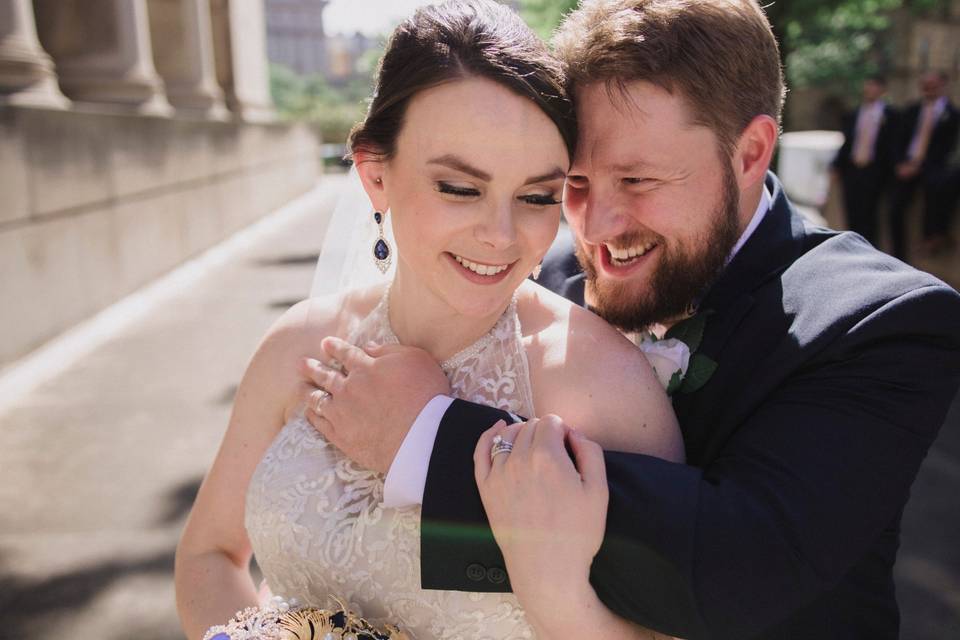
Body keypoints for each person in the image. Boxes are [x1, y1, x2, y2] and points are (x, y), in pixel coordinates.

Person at [302, 1, 960, 639]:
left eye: (638, 181)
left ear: (751, 152)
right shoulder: (543, 275)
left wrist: (429, 439)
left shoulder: (884, 324)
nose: (594, 228)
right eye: (575, 185)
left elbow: (739, 570)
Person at [174, 2, 684, 639]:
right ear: (375, 174)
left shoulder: (604, 388)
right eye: (459, 188)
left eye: (535, 197)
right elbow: (210, 555)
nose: (501, 236)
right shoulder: (298, 345)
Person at [887, 70, 959, 259]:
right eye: (925, 86)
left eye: (933, 86)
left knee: (935, 190)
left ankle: (934, 236)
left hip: (931, 167)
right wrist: (900, 164)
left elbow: (946, 149)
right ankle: (898, 255)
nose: (928, 90)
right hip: (906, 166)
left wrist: (920, 165)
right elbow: (898, 140)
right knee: (895, 208)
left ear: (943, 86)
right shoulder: (911, 110)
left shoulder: (952, 115)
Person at [831, 76, 900, 246]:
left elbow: (894, 144)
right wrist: (836, 166)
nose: (869, 90)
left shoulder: (891, 115)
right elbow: (847, 142)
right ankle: (852, 247)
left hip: (875, 171)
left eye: (874, 87)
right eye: (868, 86)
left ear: (882, 90)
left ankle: (868, 250)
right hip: (852, 170)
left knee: (870, 214)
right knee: (852, 211)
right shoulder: (854, 113)